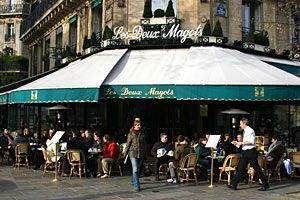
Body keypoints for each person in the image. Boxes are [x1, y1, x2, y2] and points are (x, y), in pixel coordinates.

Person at [228, 118, 269, 191]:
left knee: (256, 168)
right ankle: (233, 184)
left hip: (250, 152)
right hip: (246, 152)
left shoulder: (250, 131)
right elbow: (245, 144)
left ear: (244, 123)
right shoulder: (245, 131)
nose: (240, 125)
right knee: (240, 168)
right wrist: (236, 143)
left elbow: (250, 142)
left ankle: (265, 184)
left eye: (241, 124)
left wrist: (240, 143)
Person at [124, 120, 147, 192]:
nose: (139, 126)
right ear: (134, 126)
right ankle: (137, 186)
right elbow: (128, 144)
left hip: (141, 154)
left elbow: (144, 144)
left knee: (137, 169)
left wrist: (145, 153)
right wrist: (125, 153)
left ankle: (134, 180)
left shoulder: (142, 134)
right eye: (137, 125)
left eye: (140, 125)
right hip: (133, 153)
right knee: (135, 169)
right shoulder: (130, 134)